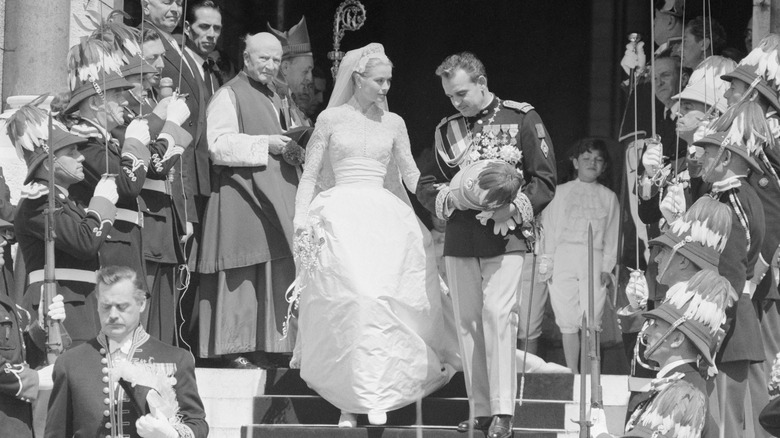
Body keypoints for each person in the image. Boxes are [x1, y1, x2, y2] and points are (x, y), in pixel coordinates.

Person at [291, 42, 452, 428]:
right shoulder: (330, 119)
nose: (385, 88)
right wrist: (300, 219)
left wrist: (444, 197)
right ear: (357, 79)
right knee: (350, 301)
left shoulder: (393, 123)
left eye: (389, 81)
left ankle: (375, 393)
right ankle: (349, 399)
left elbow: (410, 175)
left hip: (383, 219)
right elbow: (311, 174)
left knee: (381, 302)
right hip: (340, 215)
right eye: (379, 80)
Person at [417, 51, 557, 438]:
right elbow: (426, 183)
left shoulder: (522, 117)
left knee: (498, 315)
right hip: (461, 236)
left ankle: (503, 412)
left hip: (507, 235)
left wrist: (511, 210)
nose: (456, 102)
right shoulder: (448, 129)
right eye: (450, 96)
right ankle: (480, 410)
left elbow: (544, 180)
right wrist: (450, 199)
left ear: (481, 82)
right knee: (468, 324)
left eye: (462, 93)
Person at [197, 33, 300, 368]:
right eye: (263, 59)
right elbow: (217, 145)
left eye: (275, 60)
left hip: (276, 195)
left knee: (276, 267)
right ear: (246, 58)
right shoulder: (230, 94)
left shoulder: (279, 93)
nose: (270, 66)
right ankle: (235, 347)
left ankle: (274, 345)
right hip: (241, 194)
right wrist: (265, 143)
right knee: (242, 267)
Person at [44, 265, 208, 438]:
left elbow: (197, 424)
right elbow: (56, 433)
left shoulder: (176, 358)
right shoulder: (70, 363)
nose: (113, 314)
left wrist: (172, 435)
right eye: (106, 306)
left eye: (122, 306)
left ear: (141, 303)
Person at [12, 101, 119, 349]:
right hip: (59, 306)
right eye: (71, 153)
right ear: (49, 163)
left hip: (83, 304)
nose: (81, 157)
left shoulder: (67, 201)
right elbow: (84, 243)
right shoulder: (38, 202)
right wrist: (102, 203)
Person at [694, 129, 767, 438]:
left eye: (708, 153)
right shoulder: (736, 194)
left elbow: (732, 270)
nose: (702, 159)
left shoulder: (731, 199)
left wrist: (715, 326)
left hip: (728, 322)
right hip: (738, 320)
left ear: (726, 158)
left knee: (727, 426)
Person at [540, 137, 619, 373]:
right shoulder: (559, 193)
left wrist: (607, 266)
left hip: (592, 259)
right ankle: (573, 373)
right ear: (575, 163)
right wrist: (548, 263)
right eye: (586, 158)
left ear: (604, 167)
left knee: (591, 318)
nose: (591, 163)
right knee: (566, 317)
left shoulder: (608, 197)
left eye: (598, 160)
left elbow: (612, 235)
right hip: (563, 256)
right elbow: (550, 230)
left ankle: (591, 373)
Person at [0, 218, 66, 438]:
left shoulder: (8, 305)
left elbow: (23, 353)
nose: (3, 243)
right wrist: (35, 381)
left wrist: (46, 325)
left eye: (5, 236)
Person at [268, 16, 314, 127]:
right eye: (305, 71)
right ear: (285, 68)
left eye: (311, 71)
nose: (310, 78)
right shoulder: (268, 98)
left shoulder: (290, 100)